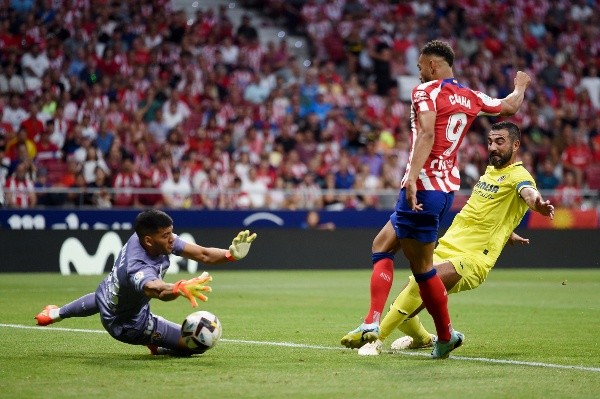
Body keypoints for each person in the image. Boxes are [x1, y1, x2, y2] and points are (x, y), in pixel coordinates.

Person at [341, 40, 532, 359]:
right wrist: (520, 84)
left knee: (423, 272)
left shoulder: (426, 92)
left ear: (432, 65)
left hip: (423, 186)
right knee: (385, 245)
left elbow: (427, 134)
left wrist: (413, 177)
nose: (417, 74)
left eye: (419, 68)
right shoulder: (470, 96)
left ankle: (405, 331)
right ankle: (393, 326)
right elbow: (510, 106)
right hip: (444, 189)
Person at [357, 121, 555, 356]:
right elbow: (488, 212)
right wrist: (506, 232)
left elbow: (528, 193)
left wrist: (538, 205)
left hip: (472, 259)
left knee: (415, 286)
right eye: (490, 142)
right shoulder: (491, 172)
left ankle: (376, 340)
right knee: (404, 308)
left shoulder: (520, 176)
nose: (493, 147)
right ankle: (422, 339)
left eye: (500, 142)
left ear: (516, 145)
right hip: (448, 247)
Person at [34, 209, 257, 356]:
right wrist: (178, 288)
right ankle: (156, 344)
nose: (172, 238)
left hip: (113, 299)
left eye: (172, 232)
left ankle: (54, 313)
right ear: (149, 240)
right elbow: (155, 289)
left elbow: (203, 255)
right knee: (197, 344)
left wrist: (230, 255)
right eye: (166, 235)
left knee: (106, 294)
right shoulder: (138, 265)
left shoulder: (153, 240)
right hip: (130, 326)